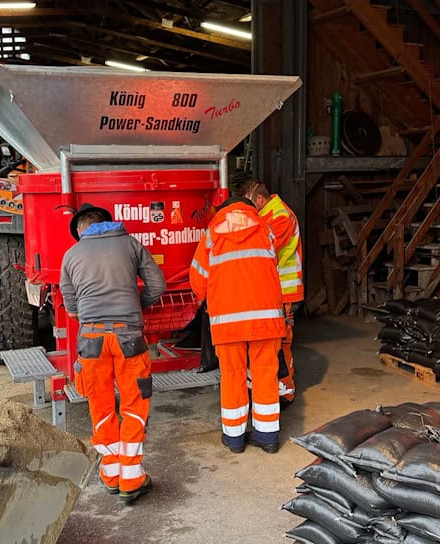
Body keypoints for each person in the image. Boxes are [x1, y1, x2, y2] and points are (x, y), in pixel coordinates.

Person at [60, 203, 166, 504]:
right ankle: (132, 479)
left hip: (91, 339)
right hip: (129, 335)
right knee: (134, 402)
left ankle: (111, 475)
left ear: (81, 230)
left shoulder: (72, 255)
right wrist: (134, 307)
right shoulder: (131, 244)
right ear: (106, 223)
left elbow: (71, 307)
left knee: (101, 405)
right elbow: (157, 286)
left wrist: (94, 319)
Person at [190, 196, 285, 454]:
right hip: (265, 319)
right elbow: (272, 262)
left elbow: (198, 276)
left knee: (233, 376)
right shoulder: (265, 228)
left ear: (224, 210)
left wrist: (202, 299)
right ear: (249, 208)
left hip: (227, 321)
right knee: (265, 373)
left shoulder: (212, 234)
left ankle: (234, 438)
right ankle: (268, 437)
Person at [237, 180, 303, 405]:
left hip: (284, 292)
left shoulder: (280, 217)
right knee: (270, 343)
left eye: (248, 203)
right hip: (273, 291)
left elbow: (263, 248)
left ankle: (285, 390)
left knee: (281, 343)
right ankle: (270, 386)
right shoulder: (269, 215)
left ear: (259, 199)